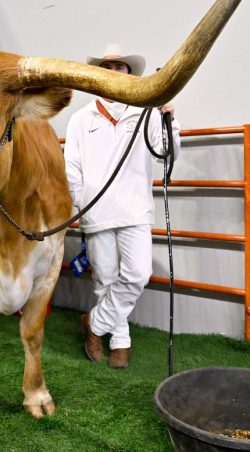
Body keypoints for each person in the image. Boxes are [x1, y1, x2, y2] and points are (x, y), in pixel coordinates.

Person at [64, 43, 181, 369]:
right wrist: (79, 200)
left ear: (130, 74)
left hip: (135, 210)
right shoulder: (80, 119)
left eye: (120, 67)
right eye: (108, 66)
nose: (113, 72)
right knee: (104, 278)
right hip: (96, 211)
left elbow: (166, 153)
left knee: (137, 274)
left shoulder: (147, 111)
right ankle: (120, 342)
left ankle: (94, 325)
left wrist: (169, 119)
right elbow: (71, 166)